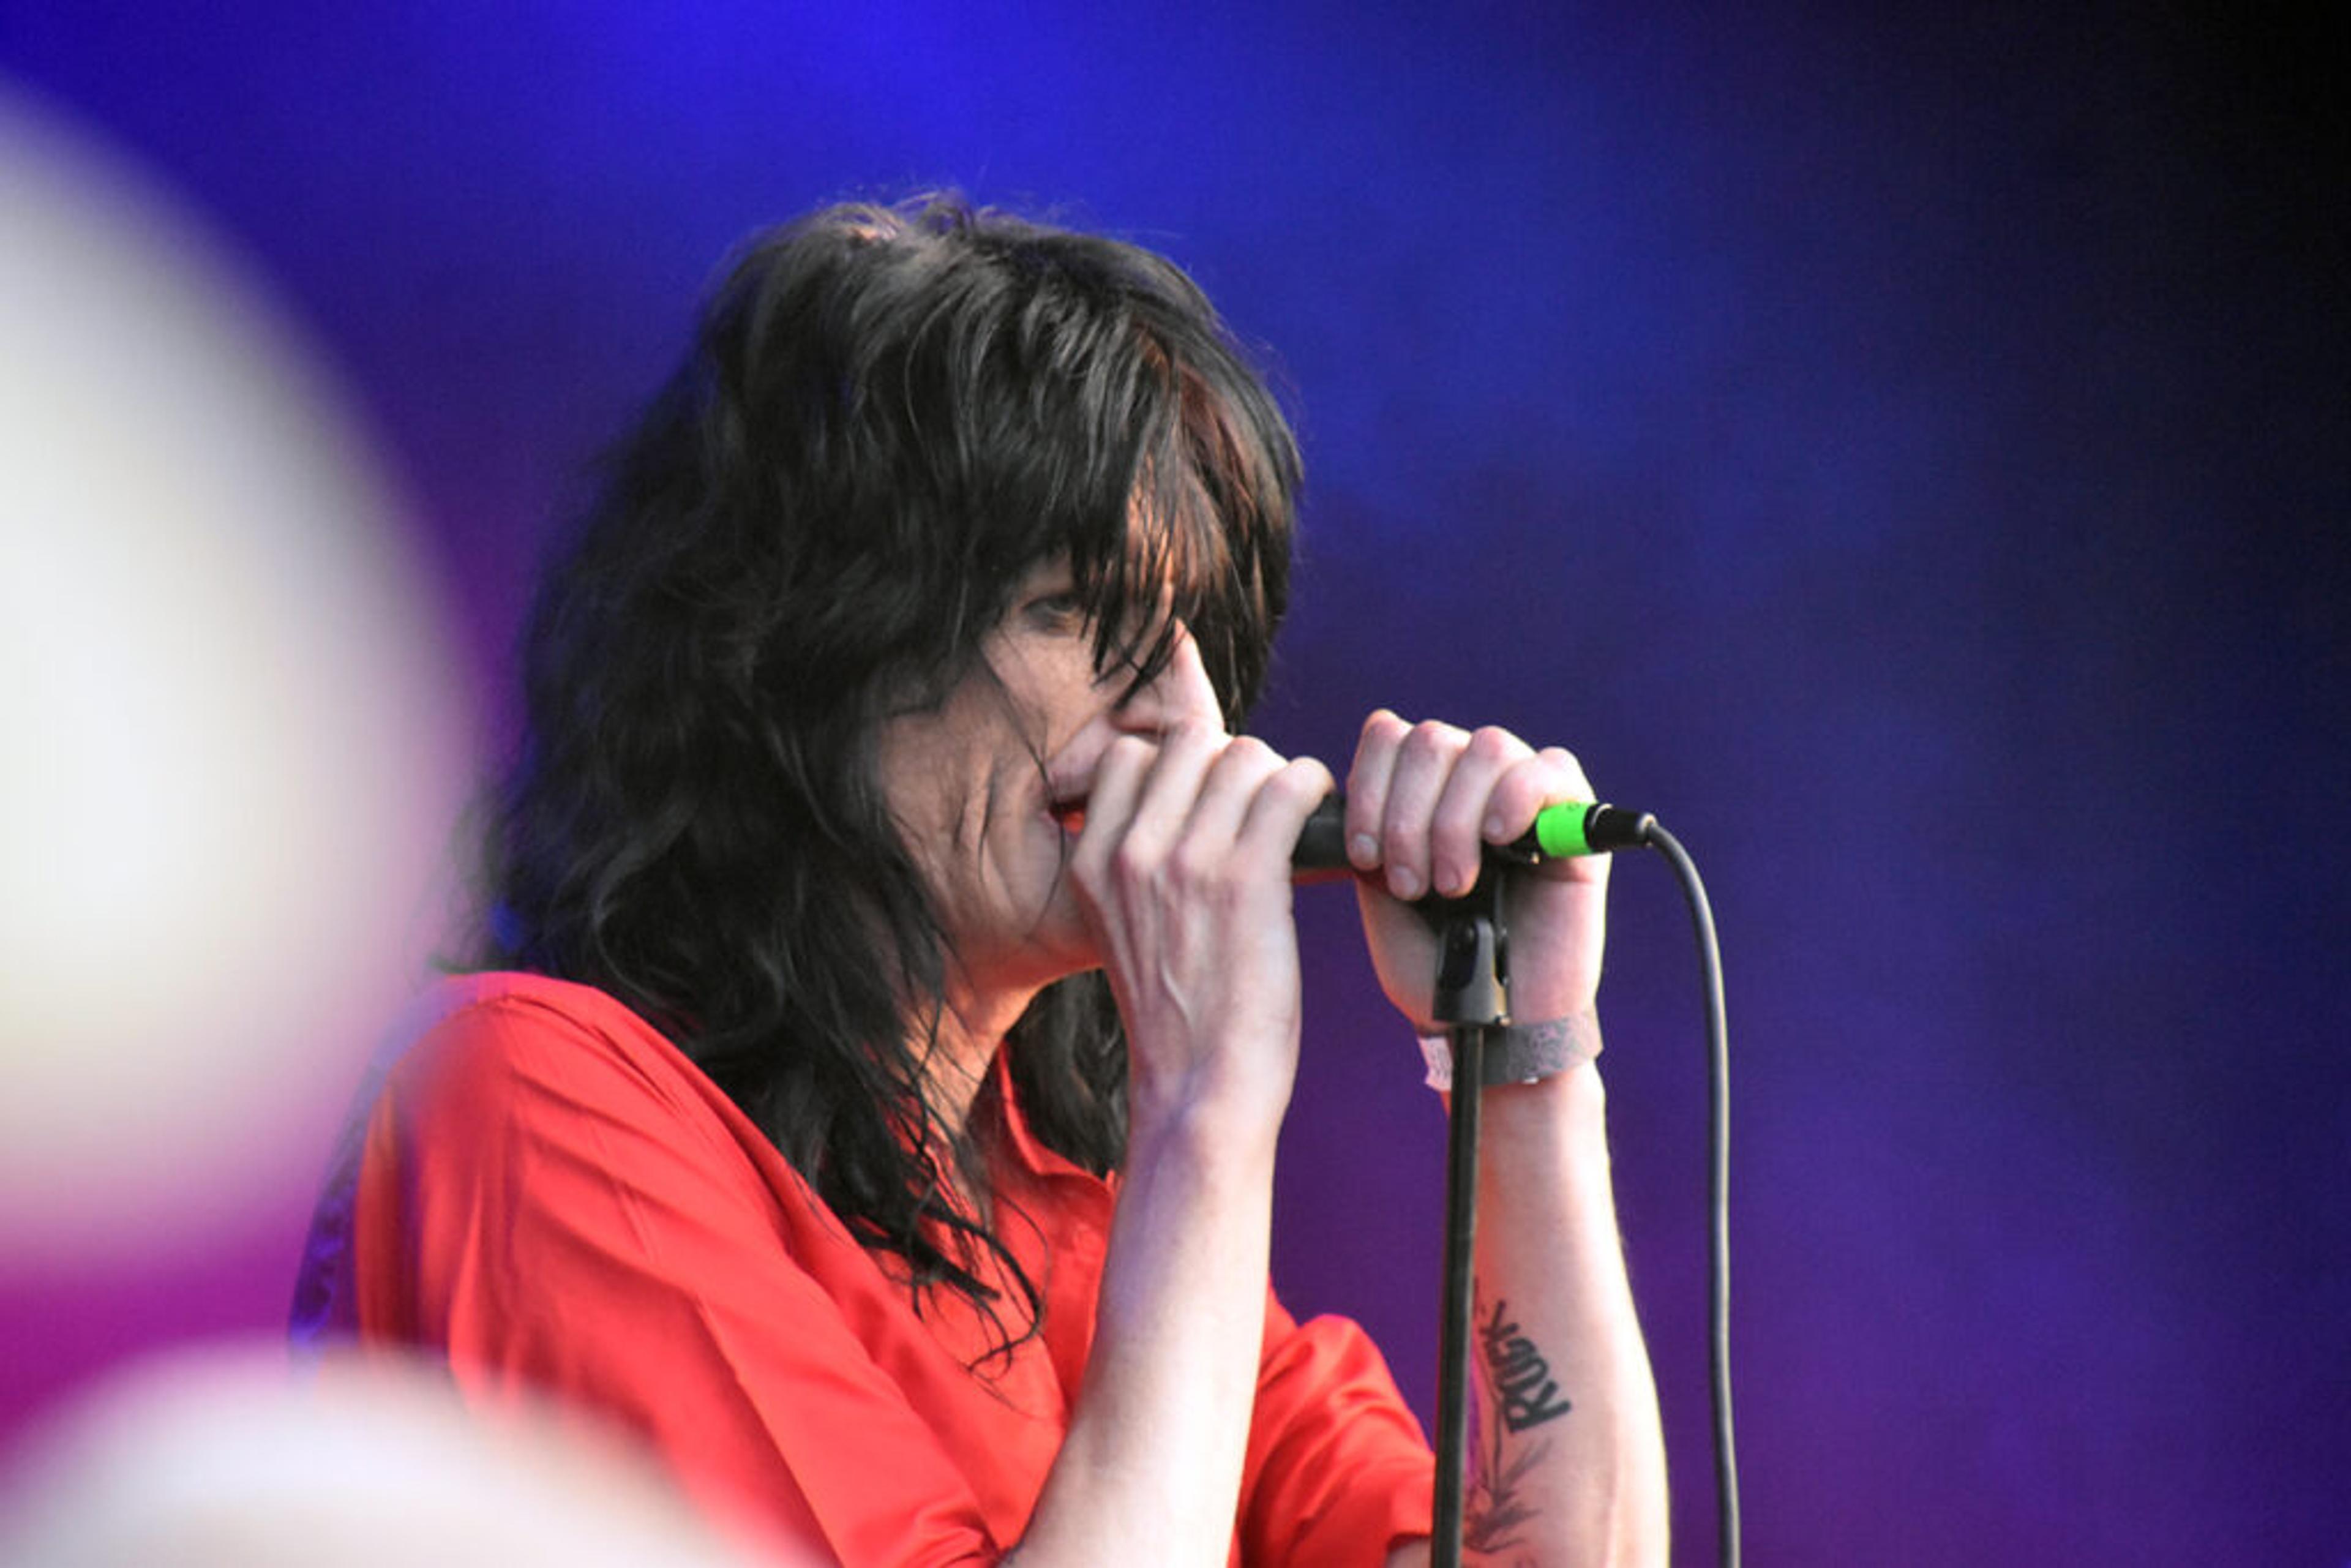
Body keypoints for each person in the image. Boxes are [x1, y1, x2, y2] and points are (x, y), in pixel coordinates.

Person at [293, 195, 1668, 1566]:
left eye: (1193, 633)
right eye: (1071, 610)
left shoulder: (1085, 1230)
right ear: (808, 651)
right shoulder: (527, 1101)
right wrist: (1205, 1100)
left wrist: (1526, 1060)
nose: (1184, 716)